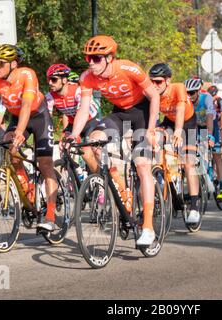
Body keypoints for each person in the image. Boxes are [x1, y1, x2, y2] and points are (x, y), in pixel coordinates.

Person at [68, 35, 160, 246]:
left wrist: (152, 129)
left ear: (110, 58)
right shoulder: (87, 77)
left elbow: (154, 96)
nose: (91, 62)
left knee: (142, 166)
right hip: (119, 113)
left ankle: (148, 226)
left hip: (142, 112)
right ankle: (119, 187)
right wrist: (74, 135)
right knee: (94, 141)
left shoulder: (128, 68)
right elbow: (83, 109)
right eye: (88, 58)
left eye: (96, 58)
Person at [0, 44, 58, 232]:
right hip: (17, 117)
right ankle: (27, 188)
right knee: (10, 148)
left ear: (13, 64)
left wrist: (20, 133)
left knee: (45, 162)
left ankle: (50, 214)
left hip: (38, 116)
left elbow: (26, 105)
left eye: (1, 63)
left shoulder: (27, 74)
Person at [149, 63, 200, 222]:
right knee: (156, 139)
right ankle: (163, 174)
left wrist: (178, 131)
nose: (154, 85)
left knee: (188, 163)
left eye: (158, 82)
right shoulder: (152, 92)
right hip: (169, 122)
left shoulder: (178, 88)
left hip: (187, 122)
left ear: (167, 81)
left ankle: (194, 206)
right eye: (152, 81)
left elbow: (180, 110)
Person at [45, 63, 101, 168]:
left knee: (86, 154)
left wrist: (74, 135)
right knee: (63, 148)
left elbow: (82, 112)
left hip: (90, 122)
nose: (50, 83)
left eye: (54, 79)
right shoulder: (50, 96)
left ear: (64, 80)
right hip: (73, 123)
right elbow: (45, 118)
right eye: (48, 79)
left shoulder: (77, 91)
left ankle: (98, 179)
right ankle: (73, 178)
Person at [207, 84, 222, 201]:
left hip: (216, 125)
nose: (213, 97)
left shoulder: (220, 101)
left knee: (217, 157)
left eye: (214, 95)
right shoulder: (204, 100)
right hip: (204, 126)